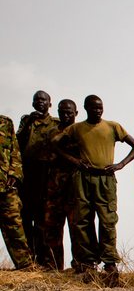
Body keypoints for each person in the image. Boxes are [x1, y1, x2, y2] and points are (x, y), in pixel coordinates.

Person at [57, 94, 134, 274]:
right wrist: (75, 161)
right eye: (94, 108)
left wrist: (120, 164)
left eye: (100, 107)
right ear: (86, 108)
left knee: (108, 220)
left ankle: (109, 262)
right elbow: (55, 145)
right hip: (83, 178)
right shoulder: (77, 128)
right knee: (83, 220)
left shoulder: (112, 126)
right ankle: (89, 262)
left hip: (106, 179)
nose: (98, 111)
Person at [16, 90, 59, 264]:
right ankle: (28, 258)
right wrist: (28, 124)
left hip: (46, 173)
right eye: (37, 100)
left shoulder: (56, 123)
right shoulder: (26, 120)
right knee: (25, 215)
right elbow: (17, 141)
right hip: (28, 172)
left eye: (43, 100)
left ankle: (44, 259)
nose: (40, 102)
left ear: (50, 103)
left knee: (43, 218)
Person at [40, 99, 79, 270]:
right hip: (54, 186)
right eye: (62, 111)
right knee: (52, 227)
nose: (65, 115)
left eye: (69, 112)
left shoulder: (81, 132)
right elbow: (45, 159)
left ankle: (79, 265)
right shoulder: (51, 133)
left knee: (77, 227)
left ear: (76, 113)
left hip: (75, 187)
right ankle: (54, 266)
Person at [0, 114, 34, 270]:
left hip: (6, 186)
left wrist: (14, 174)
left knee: (15, 225)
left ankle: (25, 265)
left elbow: (15, 151)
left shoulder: (5, 123)